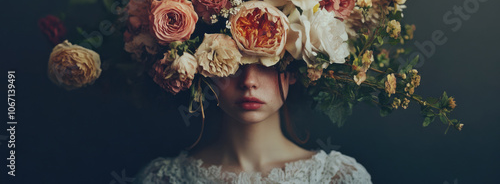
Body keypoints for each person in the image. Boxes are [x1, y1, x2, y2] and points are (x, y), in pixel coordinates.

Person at [134, 64, 372, 183]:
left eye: (266, 63)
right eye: (234, 64)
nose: (248, 81)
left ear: (292, 71)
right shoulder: (163, 179)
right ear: (205, 73)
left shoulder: (336, 178)